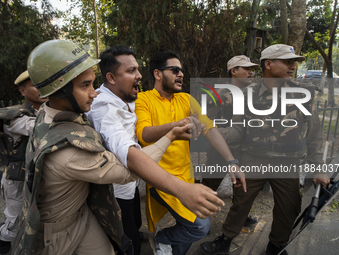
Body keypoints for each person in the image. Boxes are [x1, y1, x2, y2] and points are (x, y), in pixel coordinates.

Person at [11, 40, 225, 255]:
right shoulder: (94, 119)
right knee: (127, 243)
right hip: (92, 209)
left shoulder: (84, 106)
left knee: (130, 230)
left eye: (92, 84)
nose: (94, 93)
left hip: (93, 208)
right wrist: (182, 187)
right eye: (85, 86)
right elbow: (129, 166)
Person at [200, 44, 330, 255]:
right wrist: (208, 132)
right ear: (268, 64)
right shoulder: (247, 94)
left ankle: (276, 246)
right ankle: (225, 239)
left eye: (294, 63)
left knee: (288, 208)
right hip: (253, 159)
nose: (292, 66)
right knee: (240, 203)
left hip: (288, 163)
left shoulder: (303, 93)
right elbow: (238, 130)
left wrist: (319, 168)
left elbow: (315, 134)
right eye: (287, 62)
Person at [135, 50, 246, 255]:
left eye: (182, 71)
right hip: (160, 179)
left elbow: (210, 129)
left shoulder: (186, 99)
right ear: (158, 74)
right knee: (200, 226)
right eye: (175, 69)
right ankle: (160, 238)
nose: (181, 74)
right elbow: (144, 135)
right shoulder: (143, 99)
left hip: (187, 178)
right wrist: (176, 125)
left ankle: (169, 248)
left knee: (190, 228)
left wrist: (232, 161)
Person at [87, 45, 193, 255]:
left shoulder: (124, 96)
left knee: (135, 221)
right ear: (111, 77)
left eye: (137, 69)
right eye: (130, 71)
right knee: (128, 243)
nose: (138, 75)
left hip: (131, 186)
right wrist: (180, 188)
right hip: (115, 192)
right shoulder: (104, 109)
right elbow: (125, 148)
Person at [202, 55, 259, 226]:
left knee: (242, 188)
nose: (251, 73)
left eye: (252, 69)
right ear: (233, 71)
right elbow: (208, 125)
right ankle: (199, 218)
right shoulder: (219, 95)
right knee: (209, 187)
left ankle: (240, 217)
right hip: (221, 151)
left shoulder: (253, 94)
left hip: (245, 150)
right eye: (246, 69)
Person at [0, 71, 47, 254]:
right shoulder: (16, 115)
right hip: (18, 179)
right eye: (36, 85)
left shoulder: (45, 111)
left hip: (37, 176)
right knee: (15, 220)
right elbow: (38, 128)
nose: (43, 89)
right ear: (22, 91)